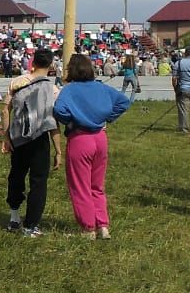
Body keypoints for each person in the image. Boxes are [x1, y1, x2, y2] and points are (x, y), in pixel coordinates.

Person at [53, 54, 131, 239]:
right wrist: (108, 117)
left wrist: (71, 120)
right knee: (97, 185)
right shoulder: (101, 87)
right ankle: (102, 225)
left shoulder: (69, 90)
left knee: (80, 186)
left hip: (80, 138)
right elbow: (124, 102)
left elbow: (58, 111)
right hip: (100, 138)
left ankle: (88, 228)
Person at [2, 49, 61, 237]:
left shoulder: (17, 82)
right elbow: (52, 121)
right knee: (38, 181)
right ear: (51, 65)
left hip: (18, 136)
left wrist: (6, 136)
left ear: (33, 62)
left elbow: (5, 109)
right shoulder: (51, 89)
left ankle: (13, 216)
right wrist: (58, 149)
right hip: (40, 137)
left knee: (16, 175)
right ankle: (31, 225)